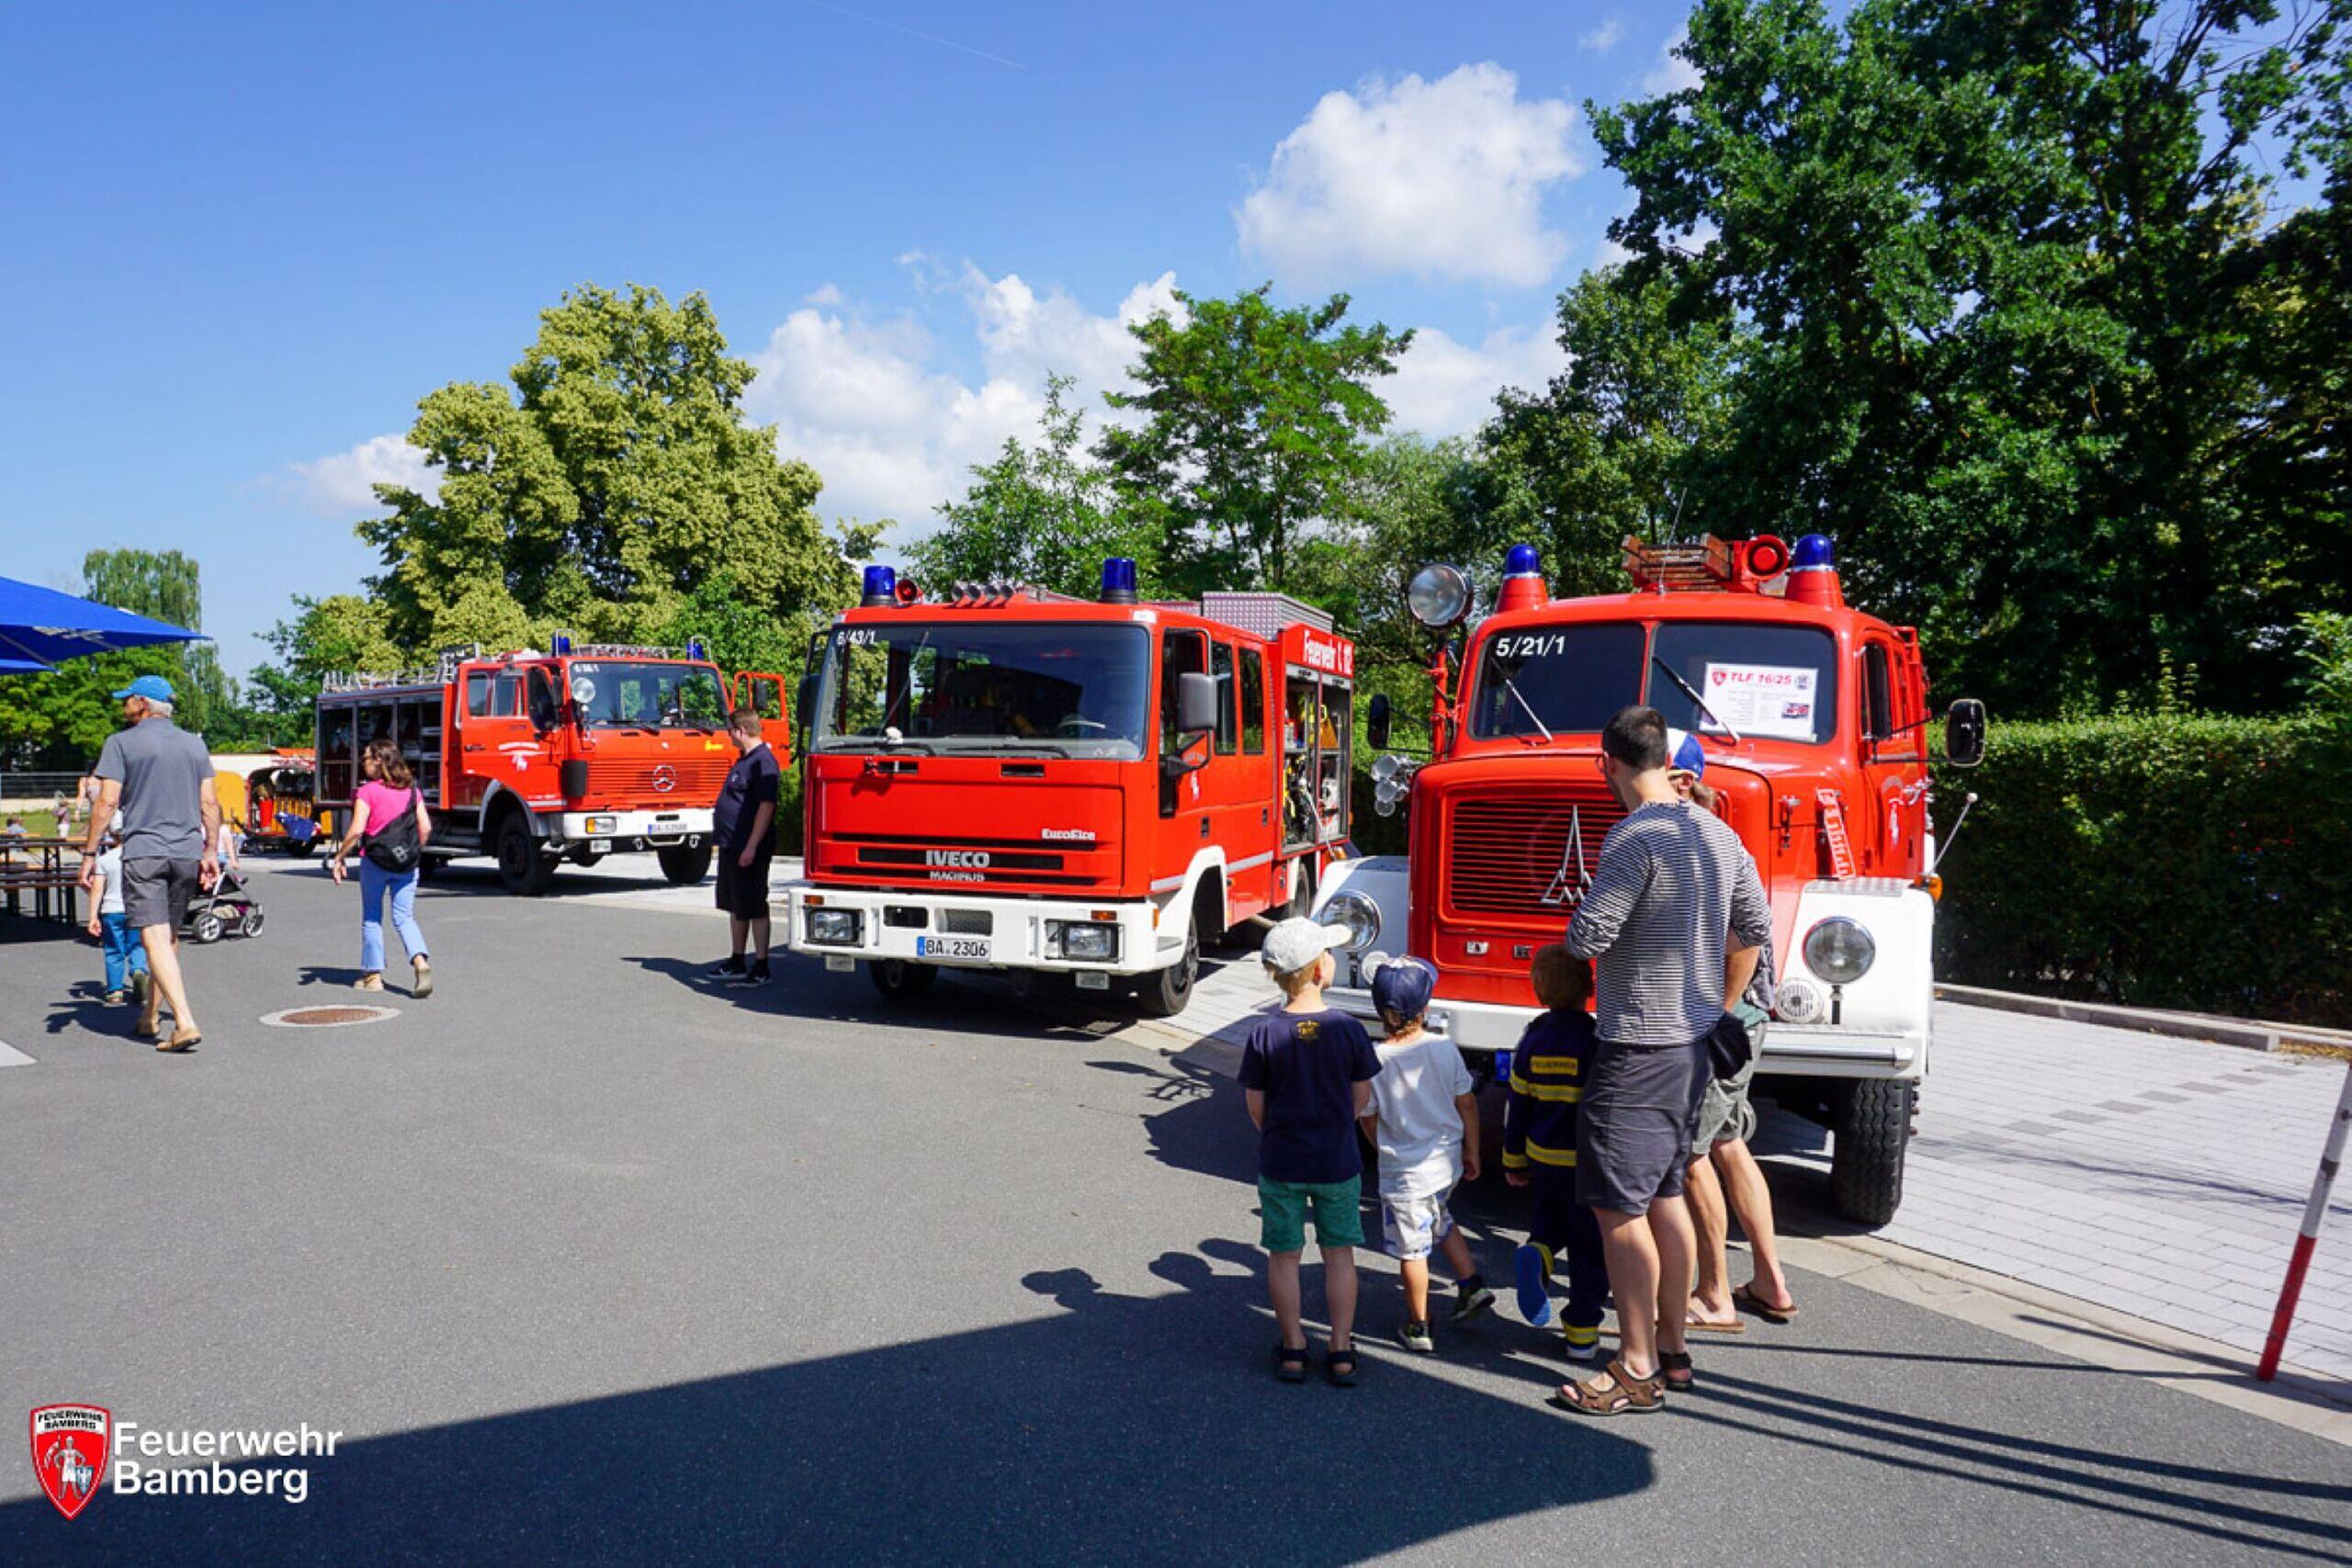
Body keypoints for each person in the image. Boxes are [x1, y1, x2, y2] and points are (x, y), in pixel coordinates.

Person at [1554, 705, 1770, 1415]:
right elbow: (1757, 926)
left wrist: (1576, 922)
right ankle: (1673, 1349)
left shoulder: (1633, 837)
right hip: (1694, 1044)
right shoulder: (1718, 832)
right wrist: (1719, 1001)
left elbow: (1588, 939)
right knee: (1667, 1194)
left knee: (1619, 1209)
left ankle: (1635, 1363)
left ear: (1607, 763)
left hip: (1636, 1044)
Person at [1666, 743, 1801, 1332]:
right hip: (1741, 1019)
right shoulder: (1713, 838)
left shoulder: (1704, 847)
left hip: (1721, 1024)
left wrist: (1712, 1019)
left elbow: (1744, 939)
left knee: (1690, 1154)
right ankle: (1769, 1281)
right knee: (1727, 1144)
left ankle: (1715, 1295)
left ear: (1681, 780)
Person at [1239, 916, 1381, 1386]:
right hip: (1337, 1159)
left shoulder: (1263, 1033)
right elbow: (1361, 1098)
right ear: (1320, 970)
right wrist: (1338, 1123)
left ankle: (1294, 1347)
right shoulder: (1348, 1030)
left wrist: (1279, 1131)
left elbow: (1255, 1106)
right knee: (1339, 1253)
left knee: (1284, 1255)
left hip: (1281, 1159)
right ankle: (1340, 1348)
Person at [77, 673, 220, 1052]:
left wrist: (90, 854)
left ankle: (185, 1021)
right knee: (167, 937)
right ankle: (151, 1017)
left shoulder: (121, 743)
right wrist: (210, 852)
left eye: (127, 700)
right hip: (187, 851)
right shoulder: (194, 745)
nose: (123, 705)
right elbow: (209, 802)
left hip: (145, 851)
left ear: (142, 703)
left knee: (153, 936)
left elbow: (106, 802)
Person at [1358, 956, 1493, 1352]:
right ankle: (1470, 1283)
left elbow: (1368, 1118)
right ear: (1426, 1009)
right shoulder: (1444, 1049)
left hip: (1405, 1174)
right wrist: (1472, 1150)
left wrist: (1379, 1146)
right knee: (1439, 1218)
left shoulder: (1374, 1062)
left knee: (1412, 1250)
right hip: (1445, 1163)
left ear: (1379, 1012)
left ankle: (1419, 1324)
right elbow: (1466, 1103)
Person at [1503, 945, 1612, 1363]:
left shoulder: (1532, 1038)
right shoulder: (1595, 1040)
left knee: (1549, 1220)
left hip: (1543, 1157)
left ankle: (1540, 1253)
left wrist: (1514, 1159)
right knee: (1590, 1248)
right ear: (1590, 988)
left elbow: (1519, 1105)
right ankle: (1581, 1332)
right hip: (1586, 1162)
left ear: (1538, 994)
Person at [331, 738, 433, 998]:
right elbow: (426, 827)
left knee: (372, 917)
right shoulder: (413, 791)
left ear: (378, 760)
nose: (363, 763)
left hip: (375, 862)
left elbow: (356, 830)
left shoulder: (367, 792)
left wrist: (340, 856)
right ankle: (420, 962)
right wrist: (414, 850)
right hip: (407, 864)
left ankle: (373, 976)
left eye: (365, 758)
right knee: (404, 917)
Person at [707, 708, 781, 987]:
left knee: (754, 905)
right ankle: (737, 959)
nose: (729, 737)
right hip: (731, 845)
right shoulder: (744, 760)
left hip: (749, 848)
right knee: (736, 906)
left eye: (730, 732)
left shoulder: (763, 762)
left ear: (741, 731)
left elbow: (766, 806)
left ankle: (761, 965)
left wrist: (751, 846)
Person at [82, 830, 151, 1006]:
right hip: (137, 908)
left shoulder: (105, 860)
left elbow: (97, 889)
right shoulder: (142, 858)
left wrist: (92, 917)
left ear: (113, 836)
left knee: (113, 950)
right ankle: (138, 970)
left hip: (111, 909)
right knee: (138, 944)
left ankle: (115, 990)